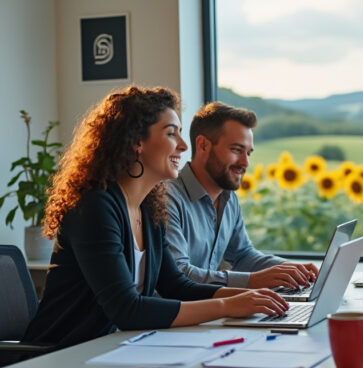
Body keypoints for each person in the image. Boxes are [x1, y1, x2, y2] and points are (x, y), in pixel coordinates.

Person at [22, 86, 289, 353]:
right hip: (58, 356)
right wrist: (226, 305)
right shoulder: (95, 206)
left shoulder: (149, 207)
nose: (184, 146)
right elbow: (127, 309)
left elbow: (176, 286)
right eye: (171, 133)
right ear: (137, 141)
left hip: (114, 350)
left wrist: (249, 297)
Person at [165, 102, 318, 291]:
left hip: (210, 311)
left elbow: (242, 255)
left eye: (248, 153)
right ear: (203, 145)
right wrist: (252, 281)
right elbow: (178, 273)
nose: (245, 163)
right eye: (236, 150)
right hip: (177, 315)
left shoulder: (228, 198)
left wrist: (288, 269)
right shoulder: (168, 198)